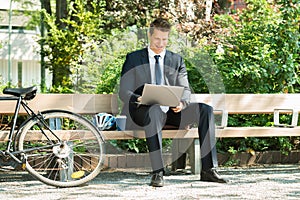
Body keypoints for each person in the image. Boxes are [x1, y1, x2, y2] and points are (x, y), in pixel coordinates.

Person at [119, 18, 227, 187]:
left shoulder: (176, 60)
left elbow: (185, 90)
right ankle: (158, 172)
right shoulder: (134, 59)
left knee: (205, 110)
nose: (161, 43)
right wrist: (139, 98)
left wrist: (182, 104)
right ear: (149, 35)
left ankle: (208, 170)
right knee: (154, 110)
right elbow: (123, 91)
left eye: (164, 39)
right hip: (144, 112)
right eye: (157, 39)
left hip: (170, 112)